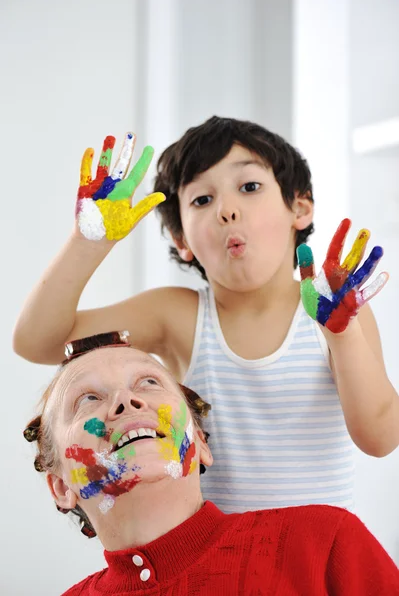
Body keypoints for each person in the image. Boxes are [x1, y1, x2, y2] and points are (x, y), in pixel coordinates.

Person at [14, 117, 399, 514]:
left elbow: (381, 438)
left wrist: (341, 333)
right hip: (216, 565)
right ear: (182, 240)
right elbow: (36, 341)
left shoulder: (337, 313)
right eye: (202, 199)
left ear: (298, 208)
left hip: (316, 563)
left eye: (249, 187)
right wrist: (89, 240)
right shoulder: (178, 316)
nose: (227, 211)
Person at [24, 332, 399, 595]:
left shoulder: (323, 543)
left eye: (149, 383)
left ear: (200, 442)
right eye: (87, 398)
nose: (126, 400)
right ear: (61, 487)